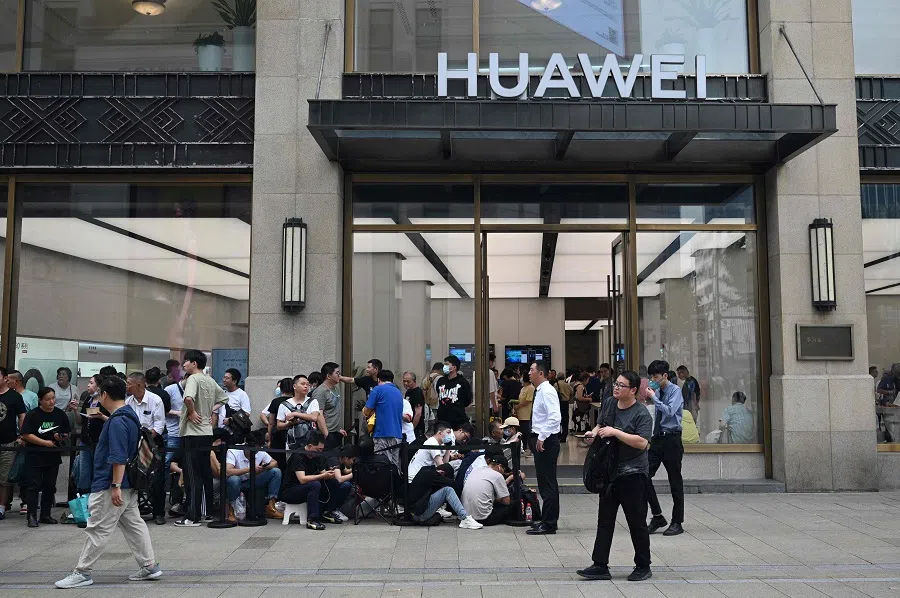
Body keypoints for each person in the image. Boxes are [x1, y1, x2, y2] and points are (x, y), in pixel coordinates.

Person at [54, 376, 162, 589]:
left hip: (111, 484)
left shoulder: (118, 421)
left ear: (104, 394)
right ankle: (149, 565)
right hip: (129, 484)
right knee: (134, 525)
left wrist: (115, 486)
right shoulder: (128, 415)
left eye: (99, 393)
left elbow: (118, 457)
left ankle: (82, 572)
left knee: (98, 528)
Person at [578, 370, 653, 582]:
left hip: (633, 473)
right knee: (605, 520)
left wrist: (615, 432)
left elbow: (642, 442)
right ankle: (600, 564)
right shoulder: (610, 403)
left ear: (634, 390)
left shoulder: (641, 413)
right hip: (609, 472)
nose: (617, 388)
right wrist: (594, 432)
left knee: (636, 521)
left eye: (622, 385)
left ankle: (643, 565)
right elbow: (601, 424)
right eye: (616, 384)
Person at [175, 350, 228, 528]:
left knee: (191, 475)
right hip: (206, 432)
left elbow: (188, 398)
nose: (184, 365)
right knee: (205, 473)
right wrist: (209, 410)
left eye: (186, 362)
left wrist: (192, 411)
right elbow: (224, 398)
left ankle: (192, 516)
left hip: (192, 432)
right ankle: (206, 513)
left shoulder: (193, 379)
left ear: (194, 364)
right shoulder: (210, 380)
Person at [643, 359, 685, 537]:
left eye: (656, 376)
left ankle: (677, 522)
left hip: (672, 439)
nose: (653, 379)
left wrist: (654, 398)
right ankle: (657, 515)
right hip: (658, 439)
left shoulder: (675, 391)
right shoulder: (658, 391)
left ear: (665, 375)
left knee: (675, 481)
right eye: (651, 376)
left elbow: (669, 411)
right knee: (643, 475)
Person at [278, 431, 352, 530]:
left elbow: (323, 474)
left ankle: (328, 511)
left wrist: (331, 474)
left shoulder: (318, 456)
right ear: (309, 446)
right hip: (291, 490)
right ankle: (312, 519)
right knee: (315, 484)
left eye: (321, 449)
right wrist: (322, 476)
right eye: (318, 449)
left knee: (341, 484)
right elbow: (302, 479)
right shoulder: (298, 456)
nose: (320, 452)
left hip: (309, 486)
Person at [20, 387, 70, 527]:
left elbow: (66, 432)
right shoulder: (33, 414)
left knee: (50, 486)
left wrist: (60, 437)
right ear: (40, 400)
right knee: (33, 486)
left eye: (53, 398)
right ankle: (31, 516)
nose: (51, 401)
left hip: (52, 456)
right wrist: (44, 443)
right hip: (34, 455)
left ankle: (45, 514)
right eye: (47, 399)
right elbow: (26, 434)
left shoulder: (60, 414)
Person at [125, 372, 167, 525]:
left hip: (153, 443)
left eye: (128, 383)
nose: (126, 386)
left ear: (139, 384)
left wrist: (146, 440)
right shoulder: (128, 402)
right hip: (134, 445)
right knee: (133, 477)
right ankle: (134, 513)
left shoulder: (155, 400)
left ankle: (159, 513)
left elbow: (159, 425)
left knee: (157, 479)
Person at [526, 361, 561, 536]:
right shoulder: (540, 391)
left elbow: (555, 417)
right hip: (542, 439)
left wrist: (542, 436)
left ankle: (549, 523)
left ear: (541, 373)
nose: (529, 373)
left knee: (547, 483)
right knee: (544, 481)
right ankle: (547, 519)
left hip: (546, 440)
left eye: (532, 370)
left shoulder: (547, 391)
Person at [407, 463, 483, 529]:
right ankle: (465, 519)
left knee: (440, 489)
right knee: (448, 490)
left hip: (413, 512)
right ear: (442, 473)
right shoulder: (436, 475)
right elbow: (453, 484)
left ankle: (439, 509)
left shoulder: (426, 470)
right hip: (420, 515)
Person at [224, 440, 282, 521]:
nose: (256, 451)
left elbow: (274, 463)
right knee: (234, 479)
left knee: (276, 472)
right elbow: (228, 472)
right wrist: (250, 469)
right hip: (237, 481)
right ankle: (232, 510)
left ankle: (271, 504)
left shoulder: (259, 451)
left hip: (252, 480)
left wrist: (264, 467)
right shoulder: (234, 450)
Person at [74, 375, 109, 498]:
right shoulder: (88, 400)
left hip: (100, 442)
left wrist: (101, 416)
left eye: (91, 383)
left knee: (98, 472)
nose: (88, 385)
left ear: (99, 386)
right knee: (84, 473)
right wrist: (75, 411)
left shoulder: (106, 402)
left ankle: (97, 499)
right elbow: (80, 422)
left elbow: (113, 421)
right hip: (85, 442)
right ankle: (84, 500)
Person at [363, 369, 404, 471]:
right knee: (395, 466)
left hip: (382, 433)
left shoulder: (377, 389)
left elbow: (366, 411)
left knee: (382, 465)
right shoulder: (398, 392)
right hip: (397, 434)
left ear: (378, 379)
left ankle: (383, 486)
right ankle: (394, 486)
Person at [0, 367, 26, 520]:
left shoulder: (14, 397)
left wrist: (22, 436)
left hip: (8, 442)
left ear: (5, 379)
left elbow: (22, 416)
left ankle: (2, 507)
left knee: (4, 478)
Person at [461, 451, 511, 526]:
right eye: (504, 470)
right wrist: (509, 479)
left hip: (466, 516)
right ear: (499, 466)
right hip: (484, 519)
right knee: (514, 505)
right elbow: (506, 501)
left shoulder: (476, 470)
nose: (503, 473)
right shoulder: (497, 475)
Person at [312, 363, 346, 450]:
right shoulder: (320, 392)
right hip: (326, 434)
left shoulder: (336, 388)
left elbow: (333, 410)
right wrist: (326, 434)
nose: (339, 375)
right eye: (337, 373)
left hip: (335, 432)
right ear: (328, 376)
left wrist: (338, 429)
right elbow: (319, 414)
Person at [262, 378, 293, 467]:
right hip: (293, 435)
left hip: (278, 435)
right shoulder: (296, 401)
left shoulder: (276, 401)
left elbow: (271, 422)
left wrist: (269, 439)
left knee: (278, 460)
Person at [435, 355, 472, 429]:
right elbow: (438, 393)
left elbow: (467, 400)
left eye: (447, 364)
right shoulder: (441, 381)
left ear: (454, 367)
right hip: (442, 420)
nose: (444, 366)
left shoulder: (462, 382)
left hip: (458, 420)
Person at [402, 371, 426, 440]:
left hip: (417, 428)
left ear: (414, 381)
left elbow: (418, 413)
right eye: (404, 381)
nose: (406, 383)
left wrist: (412, 428)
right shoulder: (408, 392)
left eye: (408, 381)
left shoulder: (417, 393)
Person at [515, 373, 535, 451]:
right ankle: (523, 448)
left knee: (527, 433)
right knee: (522, 432)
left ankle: (530, 449)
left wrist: (518, 406)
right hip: (520, 414)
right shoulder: (523, 388)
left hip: (527, 414)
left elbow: (528, 401)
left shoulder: (531, 388)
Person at [553, 374, 573, 442]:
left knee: (558, 419)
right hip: (566, 403)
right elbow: (572, 392)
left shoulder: (556, 384)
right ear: (564, 377)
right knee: (565, 419)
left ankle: (558, 435)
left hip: (558, 403)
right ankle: (564, 435)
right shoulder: (567, 385)